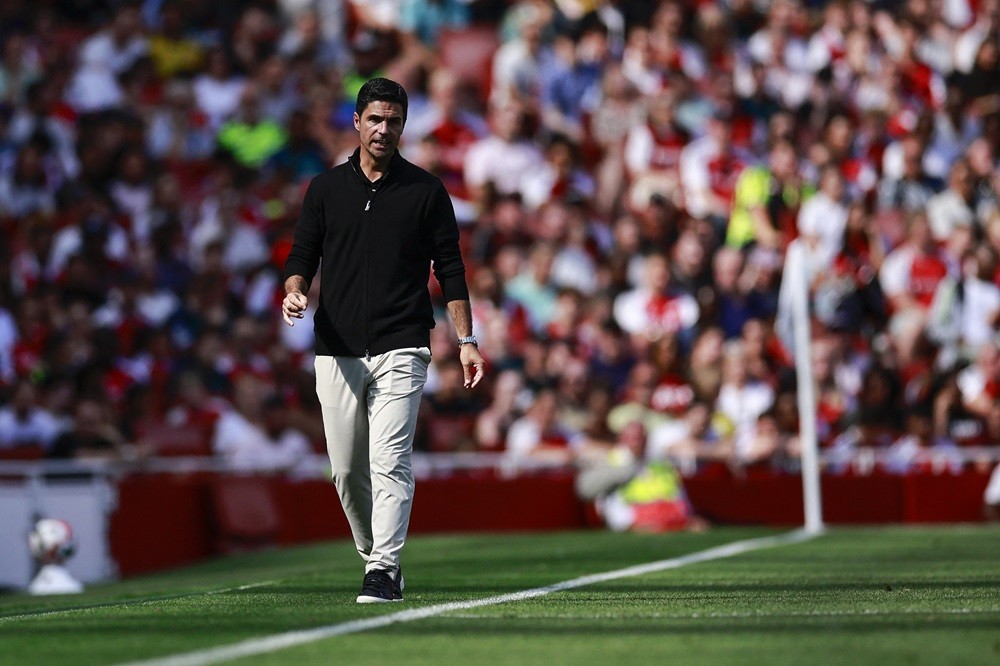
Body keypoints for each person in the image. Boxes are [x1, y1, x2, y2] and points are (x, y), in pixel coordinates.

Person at [281, 78, 485, 604]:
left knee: (389, 460)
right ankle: (378, 557)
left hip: (403, 342)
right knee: (347, 473)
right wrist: (294, 291)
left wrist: (466, 339)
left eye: (393, 120)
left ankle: (382, 567)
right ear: (356, 121)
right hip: (336, 347)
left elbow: (452, 269)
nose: (383, 129)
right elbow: (302, 255)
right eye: (374, 119)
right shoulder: (324, 189)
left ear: (403, 126)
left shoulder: (426, 191)